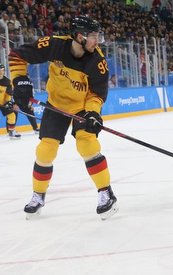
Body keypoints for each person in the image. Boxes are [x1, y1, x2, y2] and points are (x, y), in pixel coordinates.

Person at [8, 16, 117, 219]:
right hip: (56, 104)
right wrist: (20, 80)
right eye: (93, 36)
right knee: (45, 151)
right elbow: (16, 55)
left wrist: (93, 113)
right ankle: (38, 195)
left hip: (82, 107)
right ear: (79, 36)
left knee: (87, 145)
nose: (97, 41)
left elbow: (97, 94)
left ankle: (106, 193)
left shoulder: (97, 61)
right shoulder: (54, 45)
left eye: (97, 36)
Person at [0, 63, 21, 139]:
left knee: (12, 115)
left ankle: (11, 132)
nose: (1, 72)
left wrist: (8, 102)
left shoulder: (7, 81)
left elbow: (8, 94)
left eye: (2, 70)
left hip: (2, 102)